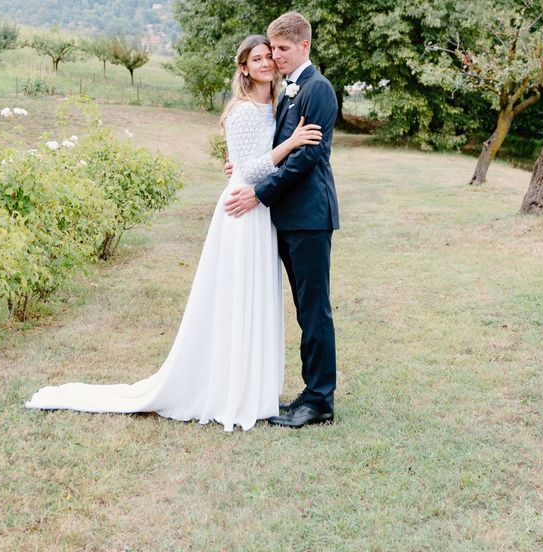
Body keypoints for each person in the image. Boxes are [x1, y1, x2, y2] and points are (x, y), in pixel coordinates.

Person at [24, 35, 322, 432]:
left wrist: (256, 158)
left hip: (261, 209)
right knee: (236, 298)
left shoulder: (276, 104)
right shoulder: (242, 111)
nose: (267, 62)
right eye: (257, 58)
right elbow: (249, 170)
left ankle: (254, 390)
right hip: (243, 210)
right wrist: (290, 144)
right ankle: (229, 389)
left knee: (255, 298)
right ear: (244, 68)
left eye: (270, 56)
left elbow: (245, 162)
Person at [224, 11, 339, 428]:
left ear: (304, 46)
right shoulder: (289, 90)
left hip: (309, 216)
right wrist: (241, 168)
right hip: (287, 218)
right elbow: (273, 148)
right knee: (303, 310)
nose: (276, 56)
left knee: (314, 310)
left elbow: (306, 158)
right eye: (272, 49)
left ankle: (320, 401)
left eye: (283, 49)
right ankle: (310, 391)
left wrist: (258, 192)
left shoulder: (317, 89)